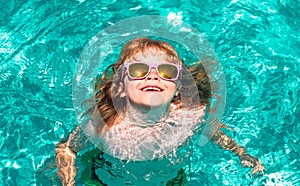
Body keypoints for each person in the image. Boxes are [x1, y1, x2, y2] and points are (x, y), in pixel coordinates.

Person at [55, 37, 264, 185]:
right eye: (139, 70)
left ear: (179, 87)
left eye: (166, 71)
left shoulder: (190, 115)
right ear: (119, 86)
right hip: (104, 179)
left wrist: (241, 153)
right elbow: (67, 148)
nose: (153, 76)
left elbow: (212, 132)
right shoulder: (102, 125)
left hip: (170, 181)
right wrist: (68, 180)